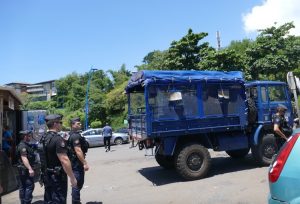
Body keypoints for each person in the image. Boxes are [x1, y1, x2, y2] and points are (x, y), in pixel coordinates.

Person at [42, 114, 77, 204]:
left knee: (49, 200)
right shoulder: (57, 139)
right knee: (59, 199)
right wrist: (72, 178)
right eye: (60, 122)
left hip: (47, 175)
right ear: (55, 124)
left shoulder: (44, 137)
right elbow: (64, 160)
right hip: (57, 176)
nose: (61, 124)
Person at [68, 117, 89, 204]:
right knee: (77, 183)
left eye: (80, 123)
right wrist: (85, 163)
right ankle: (76, 201)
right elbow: (78, 150)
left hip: (75, 161)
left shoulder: (75, 134)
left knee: (79, 182)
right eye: (78, 123)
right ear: (72, 125)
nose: (80, 124)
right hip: (76, 162)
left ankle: (75, 199)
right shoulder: (75, 136)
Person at [16, 130, 36, 204]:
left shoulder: (24, 145)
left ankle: (23, 202)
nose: (30, 137)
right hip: (25, 170)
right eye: (29, 136)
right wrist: (30, 169)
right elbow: (24, 158)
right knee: (29, 186)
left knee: (23, 187)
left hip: (23, 169)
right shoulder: (23, 146)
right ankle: (26, 202)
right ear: (25, 136)